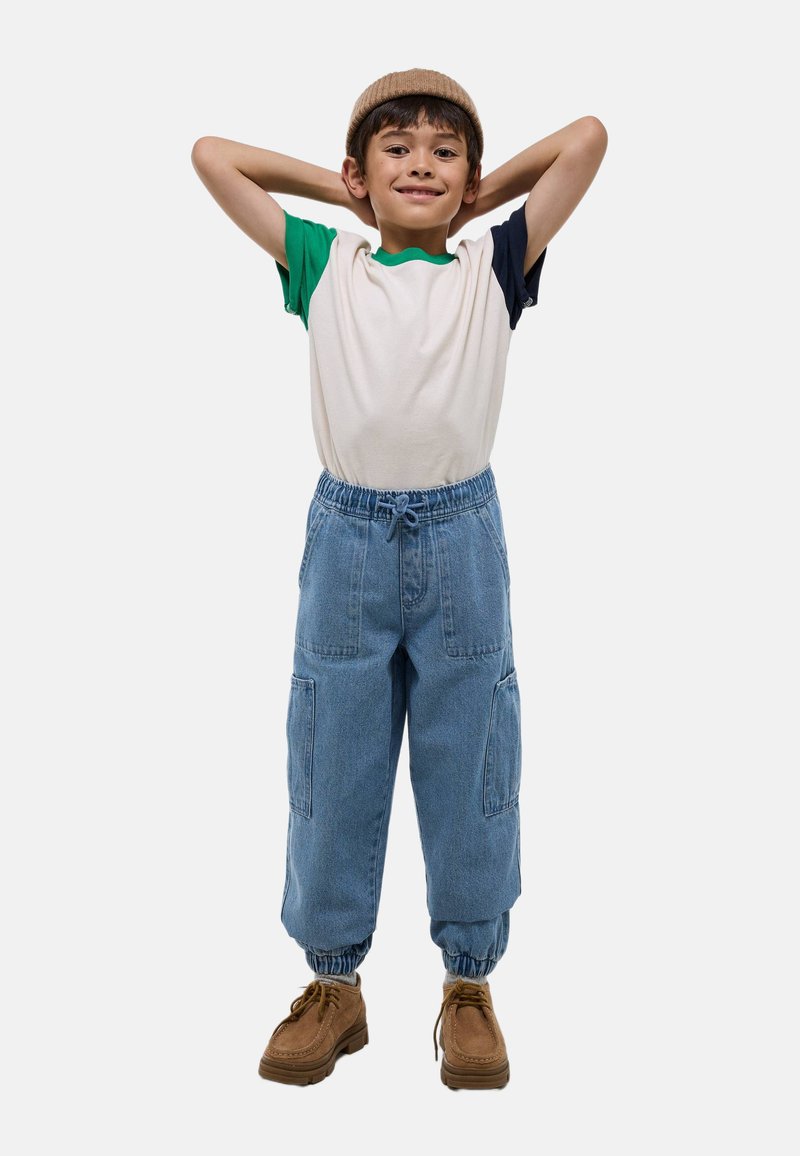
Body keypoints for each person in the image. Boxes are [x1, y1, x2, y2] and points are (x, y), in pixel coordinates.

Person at [191, 67, 607, 1089]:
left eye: (443, 152)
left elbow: (586, 138)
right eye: (397, 149)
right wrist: (339, 194)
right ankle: (333, 984)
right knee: (334, 752)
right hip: (348, 539)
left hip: (461, 535)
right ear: (359, 172)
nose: (421, 163)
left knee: (472, 753)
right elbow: (214, 158)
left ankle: (468, 984)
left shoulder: (490, 263)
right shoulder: (325, 261)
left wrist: (479, 198)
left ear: (469, 178)